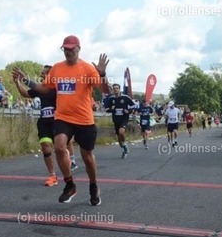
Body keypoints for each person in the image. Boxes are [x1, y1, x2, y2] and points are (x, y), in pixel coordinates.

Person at [12, 35, 109, 206]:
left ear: (78, 49)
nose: (68, 52)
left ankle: (93, 185)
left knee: (87, 157)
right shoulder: (57, 68)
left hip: (84, 119)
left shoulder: (87, 68)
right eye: (65, 49)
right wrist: (26, 80)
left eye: (71, 49)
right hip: (63, 117)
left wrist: (102, 74)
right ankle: (70, 185)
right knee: (58, 147)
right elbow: (44, 88)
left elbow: (104, 89)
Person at [15, 65, 59, 186]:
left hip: (58, 122)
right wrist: (17, 82)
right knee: (45, 147)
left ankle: (68, 162)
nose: (41, 75)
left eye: (44, 73)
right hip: (44, 122)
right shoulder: (40, 88)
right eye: (41, 73)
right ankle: (52, 175)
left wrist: (25, 79)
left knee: (60, 149)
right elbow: (25, 93)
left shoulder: (57, 87)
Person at [104, 84, 135, 158]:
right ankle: (124, 149)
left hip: (124, 118)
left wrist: (128, 111)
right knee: (119, 138)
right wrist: (111, 109)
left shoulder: (125, 97)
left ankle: (125, 145)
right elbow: (106, 109)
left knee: (121, 132)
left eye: (117, 88)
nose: (115, 90)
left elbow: (133, 106)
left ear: (119, 89)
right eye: (114, 88)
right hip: (116, 119)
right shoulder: (111, 99)